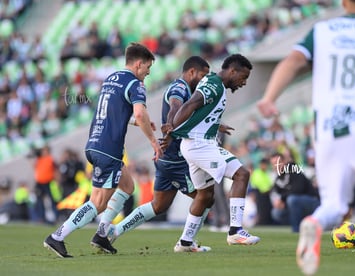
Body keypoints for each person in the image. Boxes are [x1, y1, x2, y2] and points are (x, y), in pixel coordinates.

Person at [256, 1, 355, 275]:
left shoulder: (322, 31)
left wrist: (270, 98)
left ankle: (315, 224)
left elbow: (293, 61)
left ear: (343, 2)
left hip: (327, 132)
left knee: (334, 205)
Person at [43, 42, 163, 258]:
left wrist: (138, 123)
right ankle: (57, 236)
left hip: (95, 143)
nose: (148, 72)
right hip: (109, 149)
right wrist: (153, 141)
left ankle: (101, 235)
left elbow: (115, 112)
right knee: (97, 203)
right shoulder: (136, 85)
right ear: (139, 64)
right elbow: (139, 113)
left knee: (127, 186)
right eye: (147, 67)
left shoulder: (111, 79)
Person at [106, 56, 213, 252]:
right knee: (205, 196)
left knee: (159, 205)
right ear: (191, 72)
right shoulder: (179, 88)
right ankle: (186, 243)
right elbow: (174, 106)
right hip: (176, 159)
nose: (204, 79)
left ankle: (115, 230)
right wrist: (171, 126)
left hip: (166, 158)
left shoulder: (188, 90)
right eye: (202, 75)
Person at [168, 54, 260, 249]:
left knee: (205, 195)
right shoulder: (215, 84)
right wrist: (172, 129)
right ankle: (235, 231)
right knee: (242, 174)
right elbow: (191, 104)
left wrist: (217, 124)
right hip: (199, 145)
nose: (243, 83)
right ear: (232, 71)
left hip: (197, 144)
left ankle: (185, 242)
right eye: (243, 77)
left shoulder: (216, 85)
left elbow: (201, 112)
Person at [270, 152, 319, 232]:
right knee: (276, 212)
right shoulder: (278, 179)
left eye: (278, 162)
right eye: (273, 164)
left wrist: (282, 199)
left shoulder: (294, 169)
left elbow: (298, 189)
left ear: (284, 162)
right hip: (295, 206)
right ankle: (304, 224)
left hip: (312, 202)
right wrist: (279, 202)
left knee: (292, 199)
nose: (276, 166)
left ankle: (296, 229)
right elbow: (278, 193)